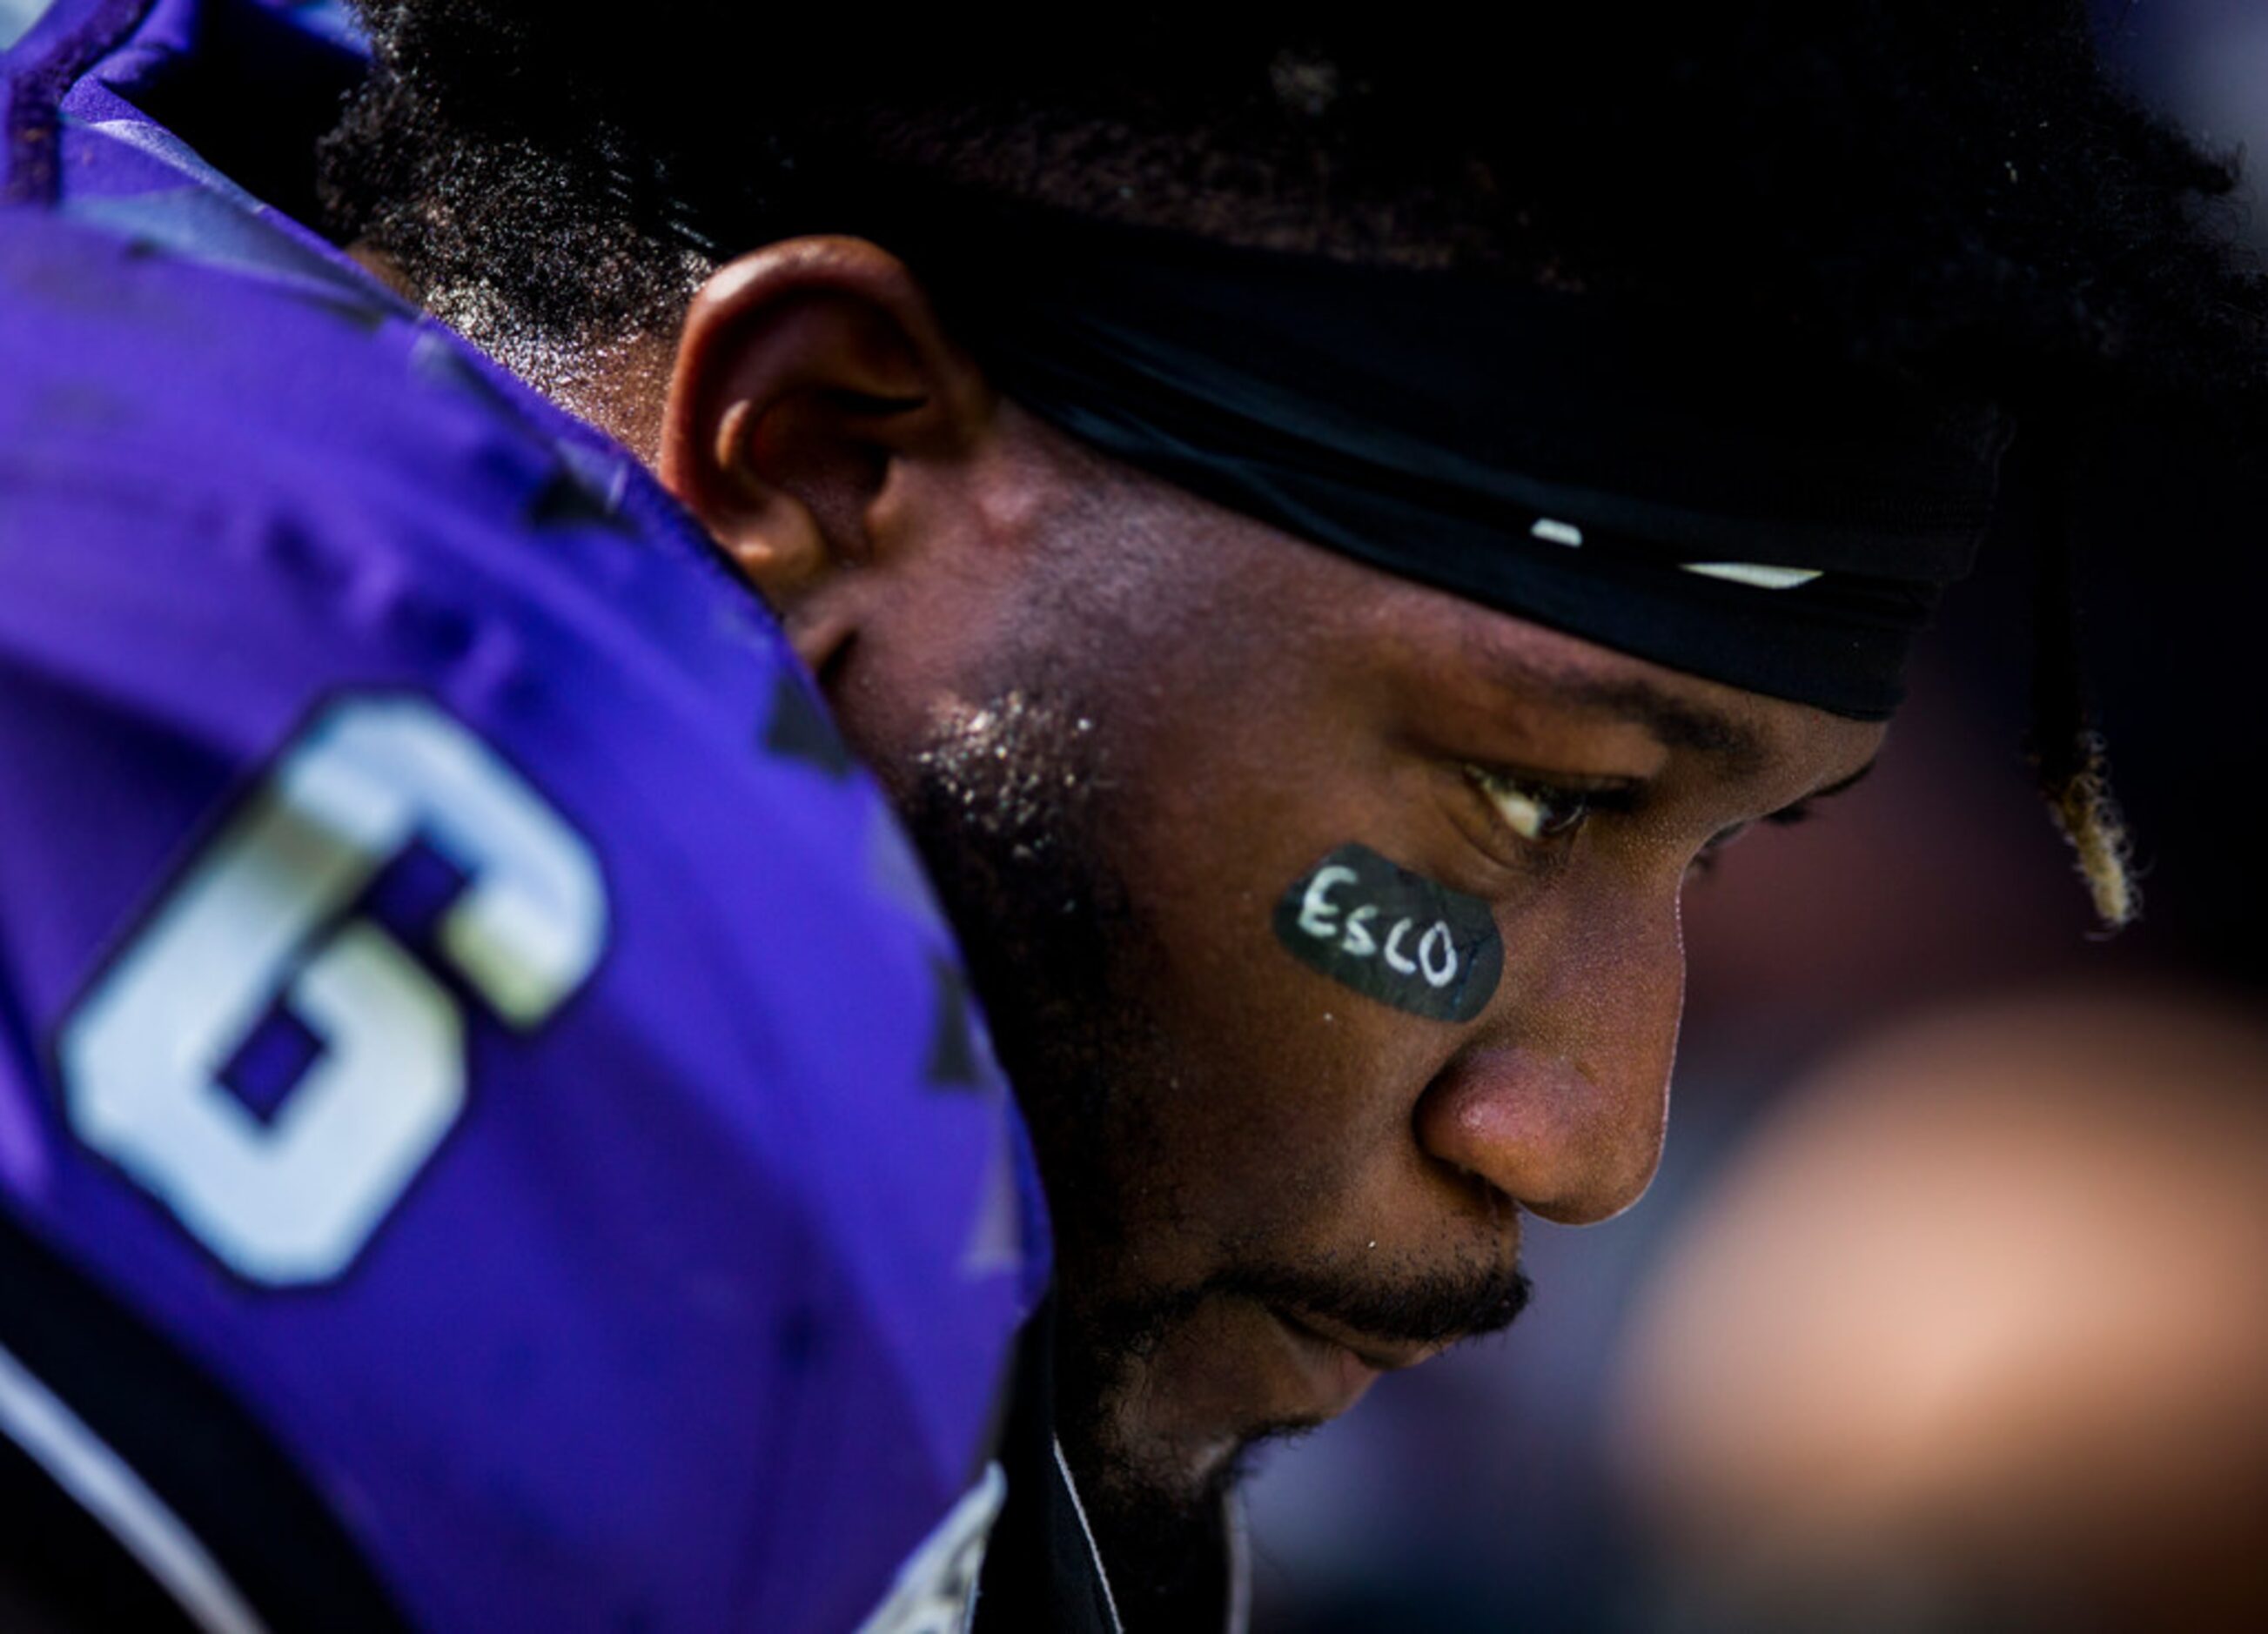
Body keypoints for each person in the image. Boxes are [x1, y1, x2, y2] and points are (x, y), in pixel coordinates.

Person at [3, 0, 2261, 1630]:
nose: (1588, 1132)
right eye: (1529, 798)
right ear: (818, 450)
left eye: (1717, 850)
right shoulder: (543, 1053)